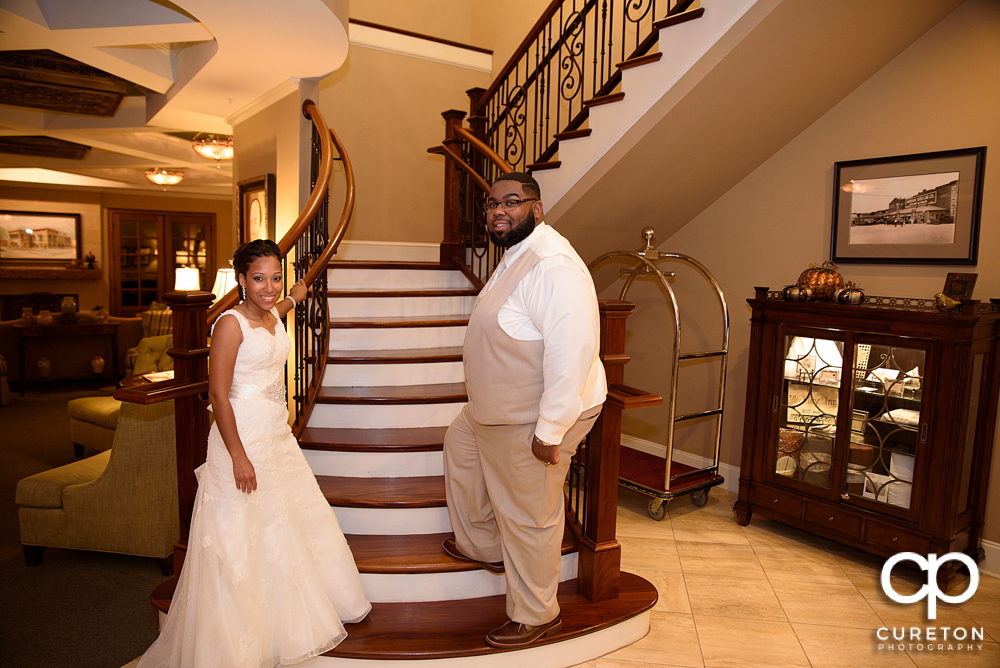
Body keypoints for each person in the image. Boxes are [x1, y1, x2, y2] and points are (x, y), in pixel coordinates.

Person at [138, 240, 370, 668]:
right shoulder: (229, 323)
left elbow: (286, 304)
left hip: (276, 435)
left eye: (275, 277)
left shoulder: (271, 314)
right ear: (241, 280)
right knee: (240, 533)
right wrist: (239, 456)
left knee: (286, 521)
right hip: (240, 435)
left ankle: (286, 618)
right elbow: (218, 395)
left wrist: (298, 289)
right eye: (259, 278)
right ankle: (240, 633)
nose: (268, 287)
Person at [442, 172, 607, 648]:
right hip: (493, 411)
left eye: (511, 202)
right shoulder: (516, 254)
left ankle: (537, 614)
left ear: (537, 208)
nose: (498, 211)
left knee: (529, 513)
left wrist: (550, 431)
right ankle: (487, 547)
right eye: (492, 203)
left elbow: (570, 354)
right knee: (461, 447)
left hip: (535, 416)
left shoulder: (554, 266)